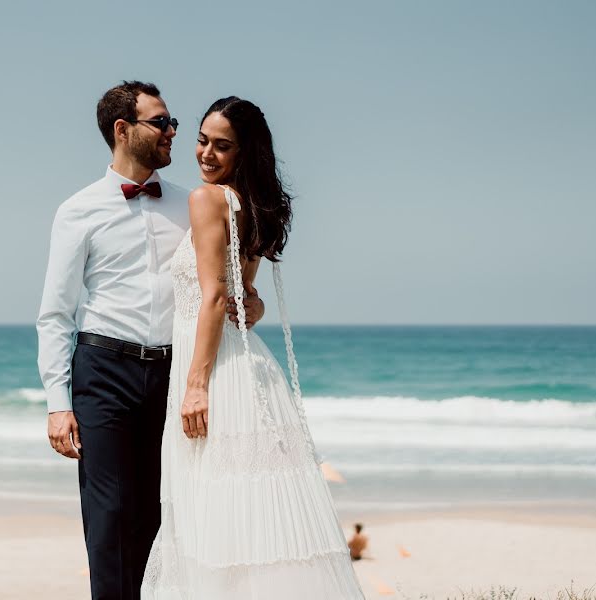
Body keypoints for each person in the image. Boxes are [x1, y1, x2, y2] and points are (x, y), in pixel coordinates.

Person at [37, 81, 264, 600]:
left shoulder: (194, 204)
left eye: (172, 122)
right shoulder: (77, 211)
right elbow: (55, 314)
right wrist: (57, 403)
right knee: (110, 517)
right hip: (104, 372)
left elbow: (228, 285)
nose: (173, 133)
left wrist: (254, 305)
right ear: (123, 130)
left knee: (167, 515)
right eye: (161, 123)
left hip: (173, 372)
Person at [141, 97, 365, 599]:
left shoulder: (207, 200)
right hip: (244, 365)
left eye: (222, 146)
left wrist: (196, 385)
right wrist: (253, 307)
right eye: (202, 140)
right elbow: (247, 298)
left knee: (215, 515)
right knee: (249, 518)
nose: (206, 154)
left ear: (245, 152)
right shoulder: (251, 202)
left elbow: (218, 297)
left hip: (216, 370)